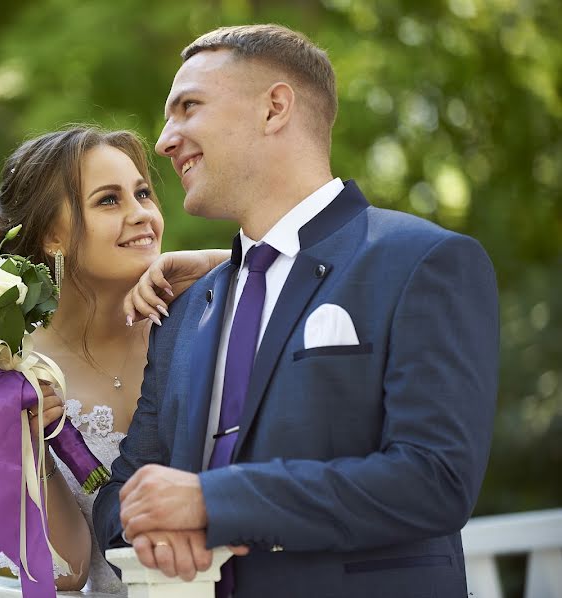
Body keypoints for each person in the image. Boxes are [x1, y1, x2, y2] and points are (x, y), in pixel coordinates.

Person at [94, 24, 499, 597]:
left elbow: (436, 480)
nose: (165, 140)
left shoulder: (423, 262)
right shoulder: (186, 311)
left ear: (274, 108)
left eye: (188, 107)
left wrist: (214, 503)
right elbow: (119, 498)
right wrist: (153, 528)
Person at [0, 126, 228, 593]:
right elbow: (67, 571)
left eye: (142, 193)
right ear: (52, 236)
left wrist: (207, 262)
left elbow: (312, 271)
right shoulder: (3, 381)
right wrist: (29, 447)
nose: (142, 214)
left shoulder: (202, 321)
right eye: (109, 201)